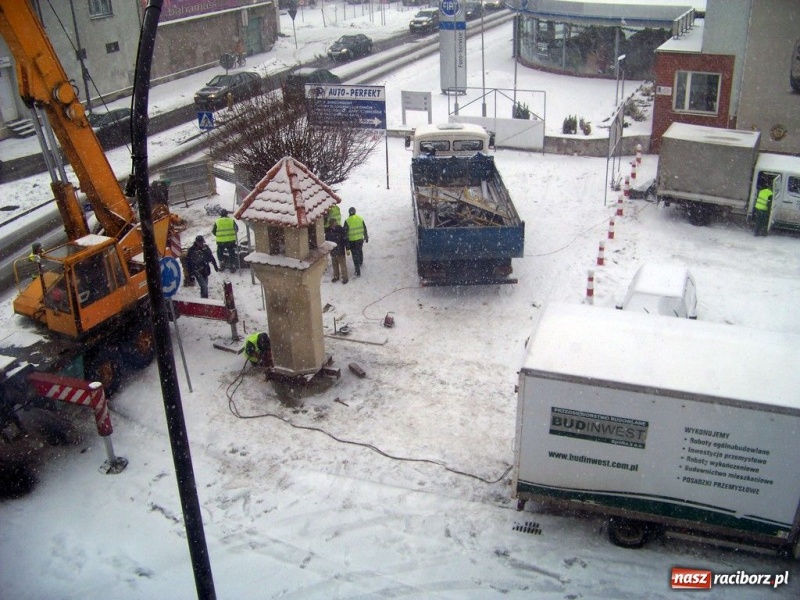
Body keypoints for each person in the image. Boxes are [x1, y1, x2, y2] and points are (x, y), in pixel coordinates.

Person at [344, 206, 368, 277]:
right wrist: (366, 237)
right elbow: (364, 228)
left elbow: (345, 232)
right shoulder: (360, 218)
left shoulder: (347, 221)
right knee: (360, 250)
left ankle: (357, 271)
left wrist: (346, 243)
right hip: (360, 240)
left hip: (352, 241)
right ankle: (360, 262)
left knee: (355, 256)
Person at [325, 217, 349, 284]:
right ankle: (336, 276)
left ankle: (345, 277)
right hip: (333, 251)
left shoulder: (340, 230)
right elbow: (326, 241)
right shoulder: (328, 231)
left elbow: (345, 239)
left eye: (334, 223)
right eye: (332, 224)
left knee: (342, 265)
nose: (333, 225)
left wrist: (347, 248)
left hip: (340, 250)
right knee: (335, 265)